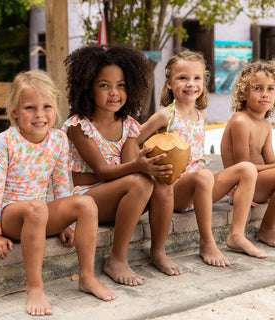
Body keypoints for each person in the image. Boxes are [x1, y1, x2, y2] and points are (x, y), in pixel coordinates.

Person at [0, 70, 116, 317]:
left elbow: (61, 183)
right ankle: (34, 286)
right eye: (30, 108)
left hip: (41, 214)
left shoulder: (58, 140)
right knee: (37, 206)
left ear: (55, 108)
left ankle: (86, 277)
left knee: (85, 203)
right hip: (12, 215)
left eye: (47, 106)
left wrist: (65, 222)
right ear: (14, 112)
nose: (40, 115)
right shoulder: (5, 141)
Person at [138, 49, 267, 268]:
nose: (191, 84)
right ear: (169, 84)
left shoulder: (202, 115)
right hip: (176, 190)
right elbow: (133, 139)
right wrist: (140, 165)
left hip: (201, 189)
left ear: (203, 83)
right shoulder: (165, 115)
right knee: (204, 175)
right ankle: (207, 242)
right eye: (183, 78)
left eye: (197, 78)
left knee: (246, 168)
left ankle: (237, 235)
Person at [62, 44, 178, 287]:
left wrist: (152, 166)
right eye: (104, 85)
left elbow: (130, 166)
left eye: (121, 85)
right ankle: (116, 259)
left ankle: (158, 251)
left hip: (119, 197)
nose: (114, 93)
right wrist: (139, 165)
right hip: (87, 200)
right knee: (139, 180)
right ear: (87, 88)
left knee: (162, 184)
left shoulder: (128, 124)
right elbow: (103, 170)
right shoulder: (78, 126)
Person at [221, 59, 275, 248]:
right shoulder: (241, 121)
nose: (265, 94)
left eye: (270, 89)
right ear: (243, 93)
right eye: (258, 88)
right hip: (242, 187)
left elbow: (270, 161)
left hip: (259, 183)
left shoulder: (266, 124)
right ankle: (267, 231)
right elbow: (244, 167)